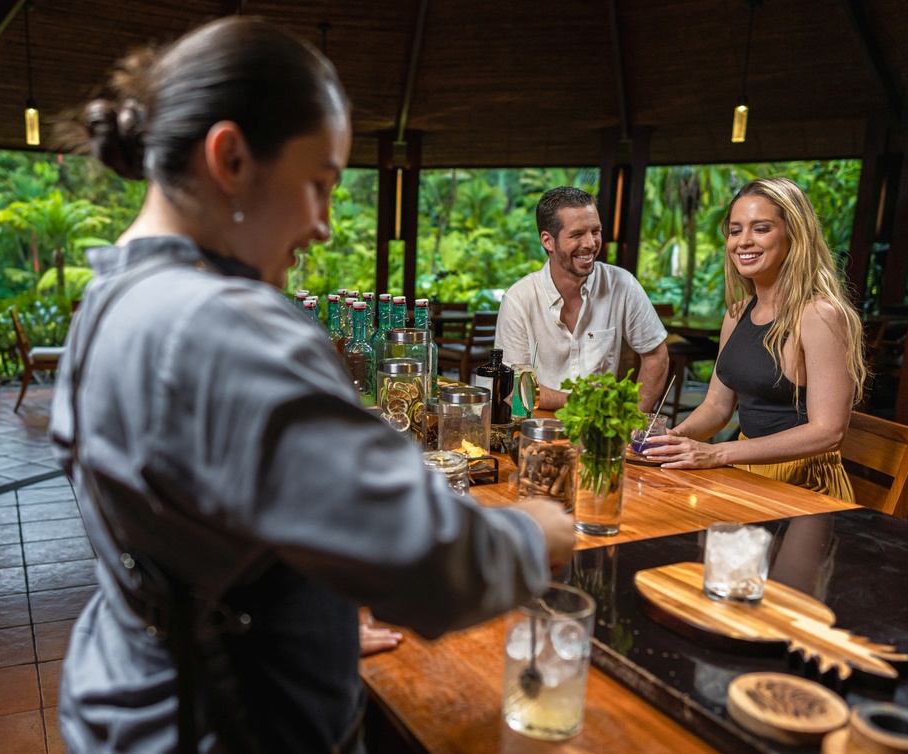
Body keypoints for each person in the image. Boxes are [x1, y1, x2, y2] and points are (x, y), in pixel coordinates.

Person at [48, 17, 576, 754]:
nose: (325, 224)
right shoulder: (225, 327)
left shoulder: (113, 298)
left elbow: (209, 519)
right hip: (226, 721)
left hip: (143, 683)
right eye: (319, 184)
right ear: (230, 157)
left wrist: (310, 617)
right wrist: (533, 533)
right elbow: (423, 560)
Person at [646, 178, 865, 501]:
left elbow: (828, 432)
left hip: (805, 482)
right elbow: (717, 407)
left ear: (794, 234)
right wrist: (674, 439)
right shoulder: (736, 314)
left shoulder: (820, 315)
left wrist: (717, 453)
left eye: (761, 229)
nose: (743, 242)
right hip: (745, 469)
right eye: (735, 231)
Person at [494, 187, 669, 412]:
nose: (591, 243)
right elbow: (513, 386)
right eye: (577, 235)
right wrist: (582, 403)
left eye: (595, 231)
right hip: (535, 430)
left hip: (598, 434)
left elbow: (656, 354)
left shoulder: (622, 285)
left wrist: (633, 419)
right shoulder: (519, 299)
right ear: (548, 241)